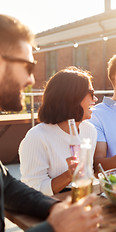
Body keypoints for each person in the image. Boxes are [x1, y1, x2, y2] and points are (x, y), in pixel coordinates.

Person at [0, 14, 102, 232]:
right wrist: (55, 231)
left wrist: (53, 208)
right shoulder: (37, 136)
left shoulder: (89, 130)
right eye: (28, 66)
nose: (31, 81)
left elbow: (6, 185)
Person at [19, 67, 98, 195]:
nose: (95, 99)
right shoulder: (36, 137)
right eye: (91, 94)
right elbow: (32, 189)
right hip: (50, 209)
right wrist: (68, 175)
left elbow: (87, 176)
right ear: (72, 97)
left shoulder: (90, 130)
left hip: (82, 201)